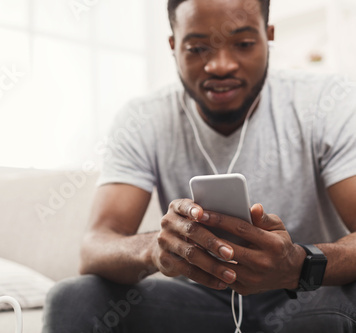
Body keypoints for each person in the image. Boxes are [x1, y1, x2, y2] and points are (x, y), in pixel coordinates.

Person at [42, 0, 356, 332]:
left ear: (269, 37)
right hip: (202, 303)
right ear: (173, 46)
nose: (220, 65)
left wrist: (299, 265)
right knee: (74, 298)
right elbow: (95, 247)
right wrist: (154, 249)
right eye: (197, 48)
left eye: (244, 44)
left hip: (309, 299)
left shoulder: (325, 103)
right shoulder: (143, 119)